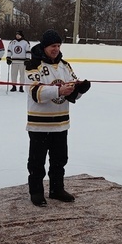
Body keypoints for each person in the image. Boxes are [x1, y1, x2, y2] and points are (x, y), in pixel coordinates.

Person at [25, 29, 91, 206]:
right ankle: (36, 192)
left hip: (61, 123)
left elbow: (71, 94)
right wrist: (58, 90)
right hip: (39, 124)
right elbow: (35, 92)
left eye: (58, 46)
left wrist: (79, 90)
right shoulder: (33, 65)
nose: (56, 49)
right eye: (53, 46)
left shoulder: (65, 66)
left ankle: (56, 189)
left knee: (59, 159)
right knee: (37, 162)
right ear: (44, 46)